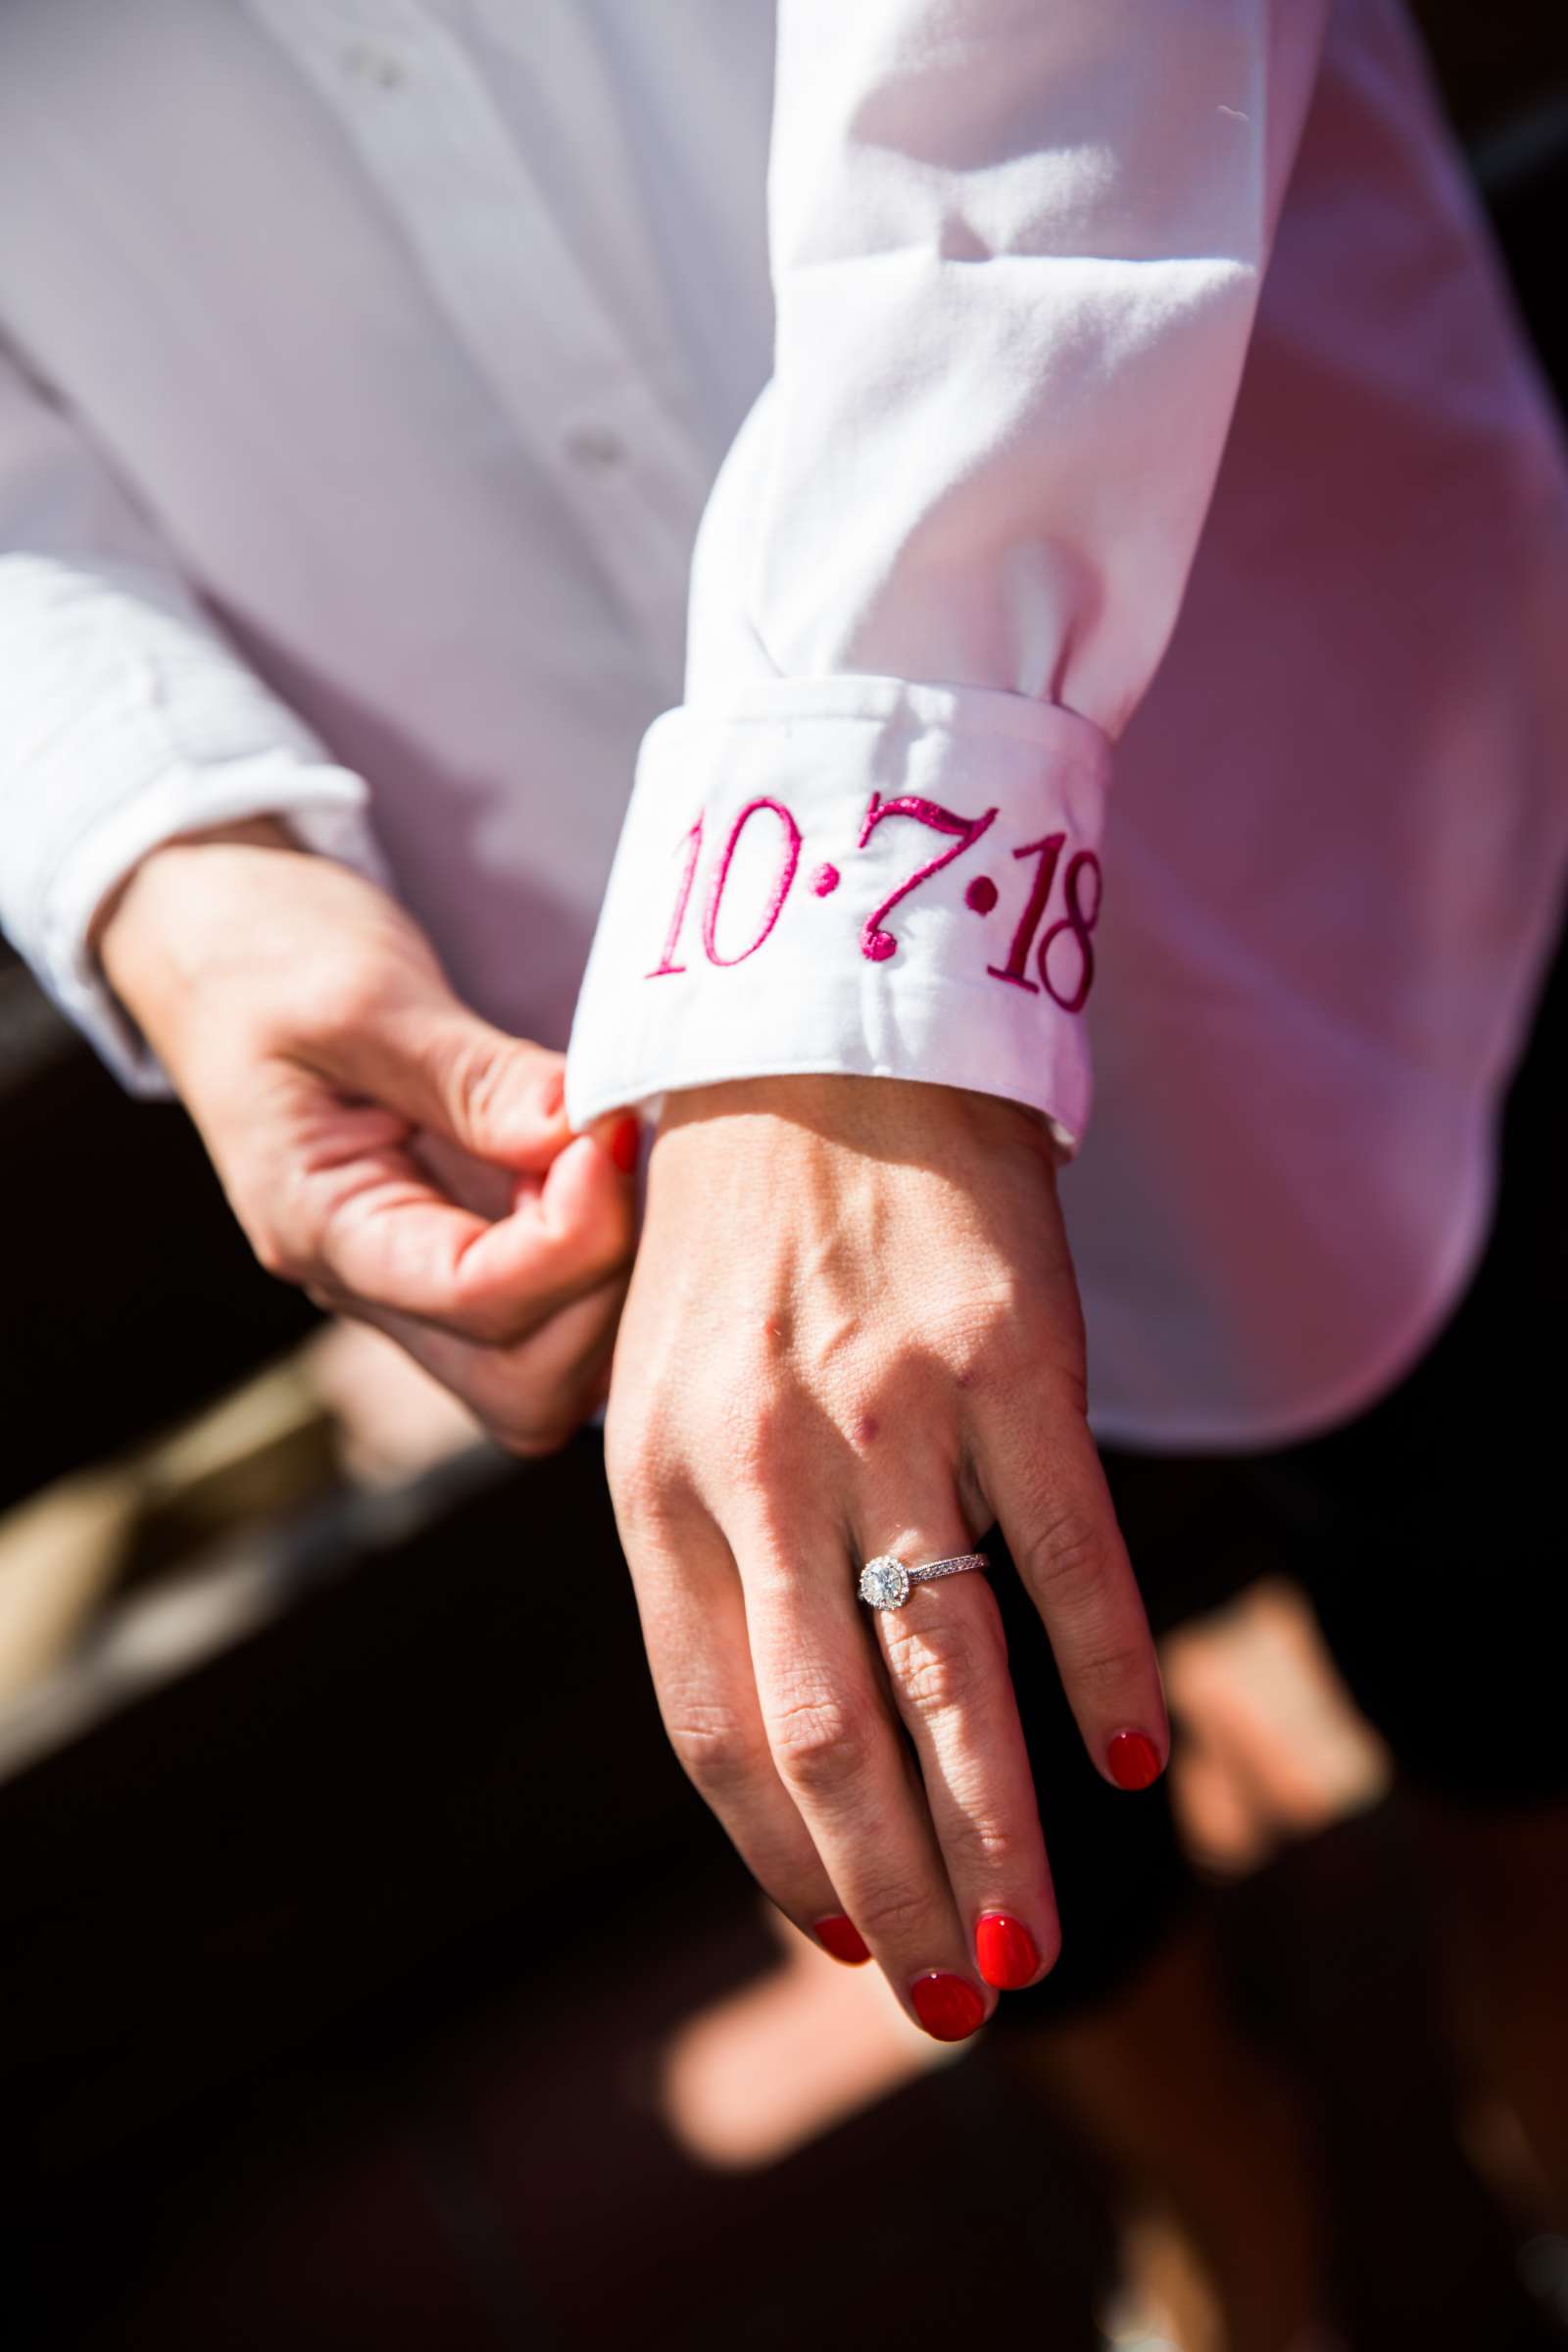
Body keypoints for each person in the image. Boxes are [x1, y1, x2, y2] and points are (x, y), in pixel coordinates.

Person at [2, 5, 1566, 2343]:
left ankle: (1524, 1975)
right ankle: (1205, 2167)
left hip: (1254, 621)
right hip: (533, 910)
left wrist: (841, 913)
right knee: (924, 1745)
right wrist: (167, 848)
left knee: (1509, 1507)